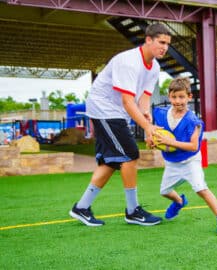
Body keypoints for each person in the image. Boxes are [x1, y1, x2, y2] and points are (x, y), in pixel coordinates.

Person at [69, 23, 171, 227]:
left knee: (112, 160)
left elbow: (143, 99)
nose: (165, 47)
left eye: (168, 44)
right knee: (130, 154)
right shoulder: (129, 62)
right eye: (161, 42)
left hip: (117, 111)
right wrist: (147, 129)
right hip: (104, 108)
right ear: (148, 40)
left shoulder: (155, 67)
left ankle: (81, 207)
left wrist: (147, 120)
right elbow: (127, 101)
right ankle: (133, 211)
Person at [152, 77, 217, 235]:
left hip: (190, 162)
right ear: (169, 96)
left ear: (189, 97)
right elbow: (154, 133)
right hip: (172, 163)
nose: (178, 101)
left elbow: (193, 146)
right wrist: (152, 141)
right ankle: (179, 201)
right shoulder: (160, 114)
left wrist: (170, 142)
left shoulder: (193, 121)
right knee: (164, 191)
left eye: (182, 97)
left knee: (200, 189)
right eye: (174, 97)